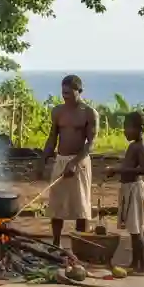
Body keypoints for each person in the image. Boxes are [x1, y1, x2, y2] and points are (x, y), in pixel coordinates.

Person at [42, 74, 99, 247]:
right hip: (60, 161)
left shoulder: (89, 113)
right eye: (63, 92)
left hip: (79, 163)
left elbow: (91, 143)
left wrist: (74, 162)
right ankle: (56, 244)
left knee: (80, 206)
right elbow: (52, 137)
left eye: (69, 92)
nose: (65, 95)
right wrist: (44, 158)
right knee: (56, 205)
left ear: (79, 91)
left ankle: (81, 245)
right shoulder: (58, 111)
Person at [106, 111, 144, 275]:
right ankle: (134, 263)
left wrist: (117, 170)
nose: (124, 131)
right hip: (129, 188)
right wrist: (119, 169)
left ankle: (142, 267)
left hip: (136, 189)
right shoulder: (133, 146)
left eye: (128, 128)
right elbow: (131, 165)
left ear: (140, 128)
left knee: (137, 230)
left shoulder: (141, 146)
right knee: (133, 230)